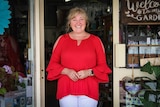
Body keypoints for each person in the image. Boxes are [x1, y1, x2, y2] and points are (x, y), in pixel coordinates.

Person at [46, 7, 112, 107]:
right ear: (69, 23)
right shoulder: (62, 40)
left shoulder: (96, 41)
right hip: (66, 89)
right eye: (74, 19)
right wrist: (66, 71)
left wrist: (89, 72)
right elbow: (53, 64)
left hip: (89, 89)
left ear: (86, 22)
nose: (78, 22)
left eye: (81, 19)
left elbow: (102, 66)